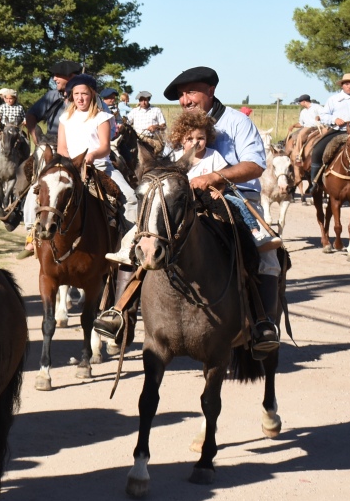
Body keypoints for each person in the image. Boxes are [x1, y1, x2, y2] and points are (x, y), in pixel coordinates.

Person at [95, 66, 280, 359]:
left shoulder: (237, 123)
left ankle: (262, 324)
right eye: (181, 95)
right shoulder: (182, 126)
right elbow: (170, 165)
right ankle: (118, 314)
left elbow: (255, 166)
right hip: (184, 198)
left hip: (235, 196)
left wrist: (215, 177)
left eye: (190, 91)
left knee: (267, 254)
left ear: (210, 91)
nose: (185, 100)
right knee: (143, 236)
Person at [169, 108, 279, 251]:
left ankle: (253, 233)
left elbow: (223, 177)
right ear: (180, 138)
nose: (195, 143)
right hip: (184, 199)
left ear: (207, 137)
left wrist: (220, 189)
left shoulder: (213, 155)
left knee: (237, 203)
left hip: (212, 196)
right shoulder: (174, 157)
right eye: (190, 139)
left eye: (200, 138)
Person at [55, 74, 137, 253]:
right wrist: (72, 164)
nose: (80, 98)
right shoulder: (65, 119)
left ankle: (128, 245)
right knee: (39, 191)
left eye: (84, 93)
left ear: (91, 94)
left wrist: (91, 155)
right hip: (71, 167)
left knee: (131, 197)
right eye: (76, 94)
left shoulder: (103, 117)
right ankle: (35, 234)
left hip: (100, 166)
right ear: (71, 96)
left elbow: (105, 148)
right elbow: (61, 148)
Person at [311, 73, 350, 185]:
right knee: (317, 150)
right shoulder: (334, 99)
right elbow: (323, 115)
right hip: (338, 131)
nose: (349, 86)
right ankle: (315, 183)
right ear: (342, 85)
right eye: (346, 84)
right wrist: (334, 119)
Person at [24, 60, 83, 146]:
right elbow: (30, 115)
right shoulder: (51, 96)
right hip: (52, 146)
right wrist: (36, 139)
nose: (54, 78)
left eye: (58, 75)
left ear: (72, 76)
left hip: (79, 146)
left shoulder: (89, 98)